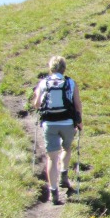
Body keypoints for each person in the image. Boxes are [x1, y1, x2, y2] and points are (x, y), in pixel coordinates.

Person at [33, 55, 83, 205]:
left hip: (49, 123)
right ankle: (64, 175)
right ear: (64, 68)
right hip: (67, 122)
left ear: (51, 68)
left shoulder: (43, 83)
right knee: (67, 148)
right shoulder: (70, 83)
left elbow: (36, 104)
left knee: (51, 158)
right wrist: (80, 122)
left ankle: (53, 192)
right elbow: (77, 104)